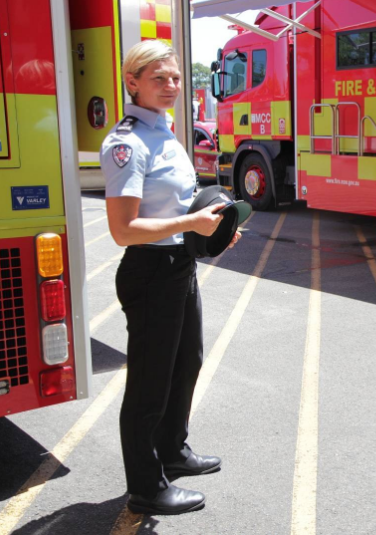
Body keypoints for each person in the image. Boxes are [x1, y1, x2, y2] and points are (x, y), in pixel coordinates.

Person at [100, 39, 240, 516]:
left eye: (176, 77)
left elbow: (182, 204)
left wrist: (213, 231)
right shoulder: (126, 144)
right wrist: (188, 226)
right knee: (149, 383)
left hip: (179, 264)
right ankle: (146, 486)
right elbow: (123, 231)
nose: (171, 86)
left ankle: (173, 453)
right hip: (148, 270)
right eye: (159, 78)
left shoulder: (165, 131)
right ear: (132, 82)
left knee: (188, 364)